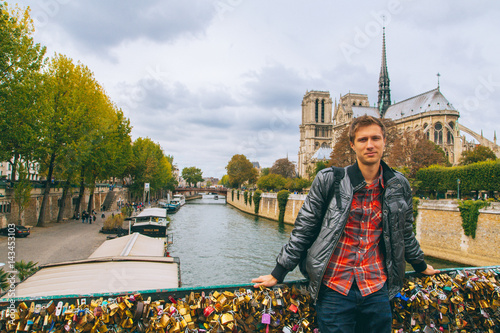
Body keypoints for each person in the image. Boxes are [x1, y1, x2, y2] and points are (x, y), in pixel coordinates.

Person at [252, 115, 440, 333]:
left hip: (376, 288)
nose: (370, 145)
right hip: (334, 288)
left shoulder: (399, 184)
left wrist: (420, 265)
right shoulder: (329, 180)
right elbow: (304, 229)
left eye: (375, 138)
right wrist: (279, 272)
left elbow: (404, 232)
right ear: (352, 145)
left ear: (384, 141)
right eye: (362, 140)